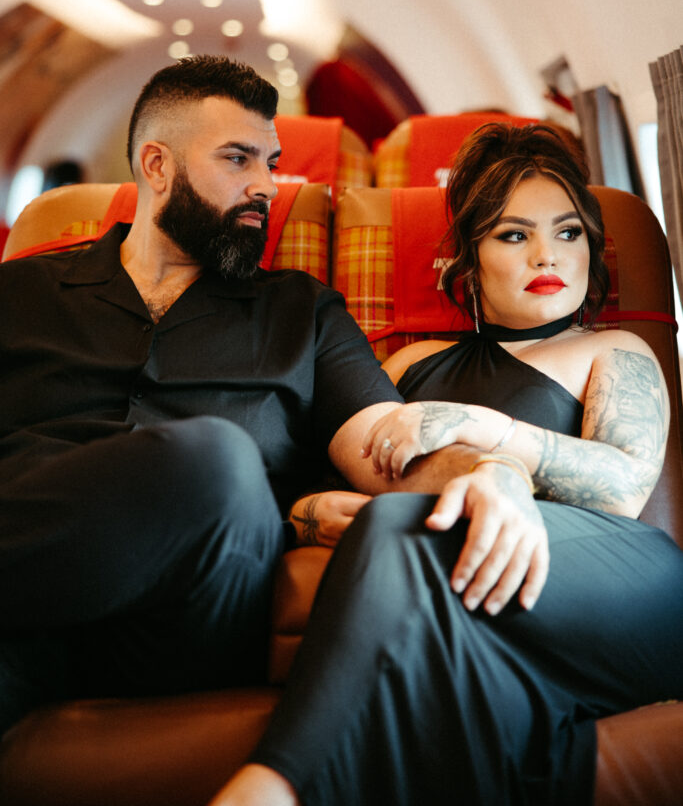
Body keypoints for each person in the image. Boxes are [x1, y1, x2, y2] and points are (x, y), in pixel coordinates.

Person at [1, 54, 477, 735]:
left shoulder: (299, 312)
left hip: (186, 616)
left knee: (215, 461)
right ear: (156, 165)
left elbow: (388, 441)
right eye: (237, 159)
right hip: (26, 619)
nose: (267, 186)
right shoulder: (22, 293)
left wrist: (489, 475)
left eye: (272, 163)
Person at [211, 123, 683, 806]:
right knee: (401, 537)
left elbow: (620, 488)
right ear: (466, 259)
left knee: (398, 524)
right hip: (462, 576)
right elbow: (319, 487)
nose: (546, 253)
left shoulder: (612, 349)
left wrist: (484, 428)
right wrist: (313, 515)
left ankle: (274, 784)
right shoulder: (407, 365)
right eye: (513, 235)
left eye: (569, 232)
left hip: (617, 582)